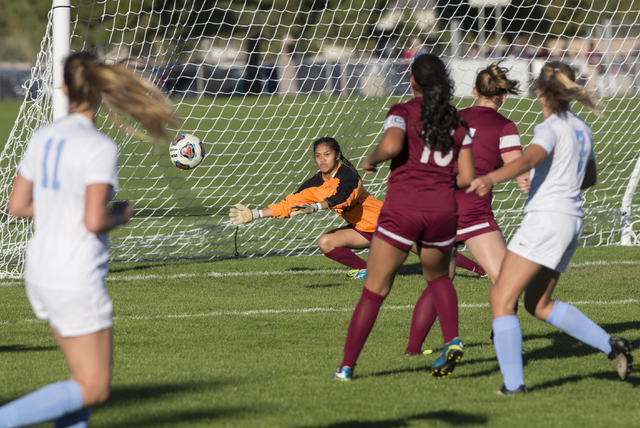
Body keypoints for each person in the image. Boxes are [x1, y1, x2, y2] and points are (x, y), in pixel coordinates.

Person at [0, 51, 174, 427]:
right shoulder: (99, 147)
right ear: (99, 92)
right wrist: (121, 215)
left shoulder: (42, 135)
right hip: (74, 273)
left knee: (81, 380)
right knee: (94, 387)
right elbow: (94, 219)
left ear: (63, 89)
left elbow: (17, 205)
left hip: (40, 269)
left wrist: (62, 207)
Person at [467, 62, 633, 395]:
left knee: (501, 297)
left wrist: (489, 177)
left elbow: (527, 160)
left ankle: (514, 386)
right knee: (538, 304)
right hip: (572, 221)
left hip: (547, 218)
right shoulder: (582, 127)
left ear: (540, 93)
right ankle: (611, 344)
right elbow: (590, 179)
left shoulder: (549, 128)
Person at [333, 53, 475, 381]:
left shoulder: (402, 112)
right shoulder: (456, 121)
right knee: (439, 279)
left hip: (404, 209)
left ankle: (346, 367)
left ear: (412, 80)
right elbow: (467, 178)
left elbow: (393, 145)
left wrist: (372, 158)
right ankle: (452, 340)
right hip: (442, 211)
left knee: (375, 290)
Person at [229, 137, 485, 280]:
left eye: (327, 154)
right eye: (318, 155)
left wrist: (317, 207)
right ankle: (365, 269)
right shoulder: (314, 183)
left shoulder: (350, 176)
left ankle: (481, 271)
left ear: (337, 156)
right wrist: (255, 214)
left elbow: (345, 200)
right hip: (362, 230)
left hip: (390, 225)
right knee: (326, 242)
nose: (322, 159)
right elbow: (288, 204)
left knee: (431, 253)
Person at [404, 63, 528, 356]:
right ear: (503, 97)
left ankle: (412, 349)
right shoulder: (504, 126)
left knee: (440, 280)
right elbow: (518, 168)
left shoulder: (452, 118)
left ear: (474, 92)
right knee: (506, 282)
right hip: (472, 210)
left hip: (436, 205)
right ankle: (504, 338)